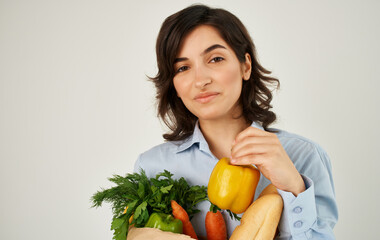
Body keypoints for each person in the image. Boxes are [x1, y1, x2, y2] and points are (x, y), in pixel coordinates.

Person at [133, 4, 338, 239]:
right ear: (175, 86)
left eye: (215, 58)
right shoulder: (152, 167)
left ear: (246, 66)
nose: (200, 80)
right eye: (183, 67)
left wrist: (293, 186)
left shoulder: (303, 156)